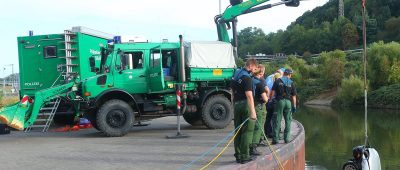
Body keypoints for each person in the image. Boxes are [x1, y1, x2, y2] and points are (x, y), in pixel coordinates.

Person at [231, 58, 259, 164]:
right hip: (245, 105)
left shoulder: (236, 75)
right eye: (255, 68)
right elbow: (249, 96)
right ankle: (245, 156)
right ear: (251, 66)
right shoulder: (247, 78)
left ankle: (238, 155)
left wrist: (234, 106)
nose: (254, 71)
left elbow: (232, 92)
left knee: (237, 131)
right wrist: (253, 112)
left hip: (237, 105)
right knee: (247, 131)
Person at [271, 69, 297, 144]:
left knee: (277, 120)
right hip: (288, 102)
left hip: (279, 101)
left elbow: (272, 92)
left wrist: (270, 100)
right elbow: (294, 96)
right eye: (291, 74)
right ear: (289, 74)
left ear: (284, 73)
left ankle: (275, 139)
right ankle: (286, 139)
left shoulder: (277, 80)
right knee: (288, 120)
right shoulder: (291, 83)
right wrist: (294, 106)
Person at [250, 65, 268, 156]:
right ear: (260, 74)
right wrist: (267, 98)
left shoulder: (249, 80)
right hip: (258, 106)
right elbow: (265, 99)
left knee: (250, 127)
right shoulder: (260, 83)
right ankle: (253, 147)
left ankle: (249, 145)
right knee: (258, 126)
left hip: (249, 105)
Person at [264, 69, 283, 138]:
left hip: (268, 100)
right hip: (275, 101)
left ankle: (266, 132)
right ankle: (273, 133)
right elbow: (273, 92)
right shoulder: (278, 82)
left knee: (268, 117)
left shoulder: (269, 78)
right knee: (275, 118)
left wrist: (268, 100)